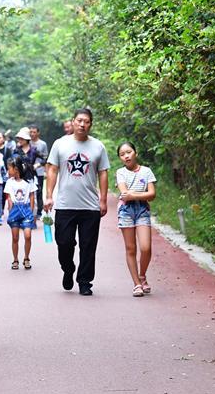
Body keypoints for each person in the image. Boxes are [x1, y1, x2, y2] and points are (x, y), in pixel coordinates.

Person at [43, 109, 109, 296]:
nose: (82, 124)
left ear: (91, 124)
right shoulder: (60, 144)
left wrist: (103, 200)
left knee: (88, 246)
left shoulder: (98, 146)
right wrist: (49, 195)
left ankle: (85, 281)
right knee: (64, 243)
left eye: (86, 121)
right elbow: (53, 170)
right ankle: (68, 269)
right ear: (72, 122)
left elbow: (103, 172)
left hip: (90, 206)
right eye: (79, 120)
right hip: (65, 204)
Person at [116, 142, 157, 297]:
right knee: (131, 248)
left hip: (142, 210)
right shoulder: (120, 172)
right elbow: (124, 193)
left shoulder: (146, 171)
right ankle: (137, 284)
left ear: (135, 153)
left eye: (129, 152)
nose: (126, 156)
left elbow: (152, 194)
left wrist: (134, 195)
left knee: (146, 247)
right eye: (122, 154)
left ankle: (142, 275)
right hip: (126, 211)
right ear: (120, 158)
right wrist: (138, 194)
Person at [4, 156, 37, 270]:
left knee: (28, 236)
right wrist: (10, 210)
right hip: (15, 211)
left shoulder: (29, 182)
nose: (8, 171)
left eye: (9, 169)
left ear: (16, 169)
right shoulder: (9, 182)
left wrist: (31, 212)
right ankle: (15, 259)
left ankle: (26, 257)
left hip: (26, 209)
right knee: (15, 237)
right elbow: (9, 197)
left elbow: (32, 196)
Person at [29, 125, 49, 220]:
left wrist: (43, 168)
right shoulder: (27, 143)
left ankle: (39, 212)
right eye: (31, 132)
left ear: (38, 133)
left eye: (34, 132)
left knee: (39, 192)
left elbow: (46, 158)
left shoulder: (42, 144)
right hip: (29, 172)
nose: (32, 134)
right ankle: (30, 211)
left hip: (39, 171)